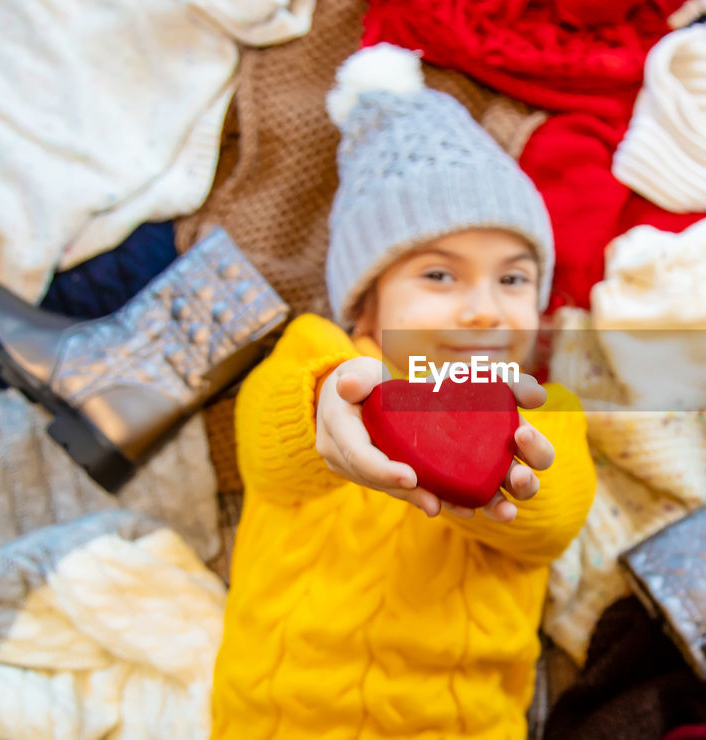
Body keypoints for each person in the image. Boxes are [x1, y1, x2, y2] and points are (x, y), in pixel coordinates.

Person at [210, 44, 597, 739]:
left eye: (512, 280)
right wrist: (323, 416)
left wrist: (489, 472)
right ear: (364, 307)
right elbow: (264, 442)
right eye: (439, 277)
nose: (484, 309)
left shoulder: (548, 409)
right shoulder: (315, 357)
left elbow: (556, 518)